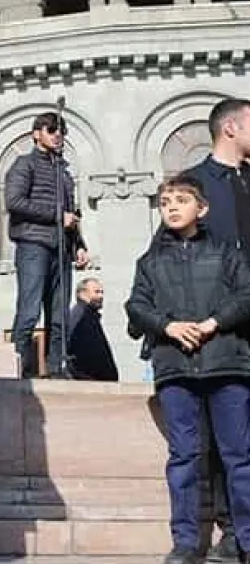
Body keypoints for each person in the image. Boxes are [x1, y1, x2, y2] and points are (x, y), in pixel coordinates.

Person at [125, 174, 250, 564]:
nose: (172, 208)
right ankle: (185, 542)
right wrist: (168, 326)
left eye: (181, 200)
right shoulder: (150, 262)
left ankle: (245, 539)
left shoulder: (227, 254)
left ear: (202, 208)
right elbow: (136, 307)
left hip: (226, 365)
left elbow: (247, 295)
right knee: (183, 458)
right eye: (165, 203)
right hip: (176, 369)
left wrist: (213, 323)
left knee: (238, 457)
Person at [180, 97, 250, 562]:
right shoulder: (195, 184)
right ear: (230, 128)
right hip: (220, 329)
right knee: (228, 439)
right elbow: (169, 253)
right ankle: (231, 532)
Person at [4, 112, 89, 378]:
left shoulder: (63, 172)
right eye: (51, 129)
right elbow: (14, 202)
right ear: (36, 134)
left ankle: (57, 368)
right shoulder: (24, 164)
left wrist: (79, 245)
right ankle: (18, 369)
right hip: (33, 244)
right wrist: (56, 216)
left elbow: (71, 214)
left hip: (61, 249)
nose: (57, 134)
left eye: (61, 130)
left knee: (59, 315)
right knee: (29, 311)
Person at [66, 277, 118, 381]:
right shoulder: (81, 316)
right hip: (88, 380)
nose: (101, 296)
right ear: (82, 294)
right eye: (96, 292)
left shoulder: (90, 316)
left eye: (102, 292)